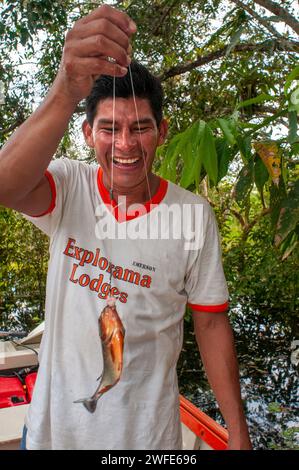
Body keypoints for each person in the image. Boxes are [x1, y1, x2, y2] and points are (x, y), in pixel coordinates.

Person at [0, 4, 252, 450]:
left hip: (146, 440)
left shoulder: (193, 215)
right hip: (51, 436)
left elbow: (211, 326)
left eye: (141, 128)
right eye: (109, 128)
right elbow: (5, 186)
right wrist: (66, 88)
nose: (125, 145)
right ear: (86, 133)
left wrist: (237, 432)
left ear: (163, 131)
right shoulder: (69, 186)